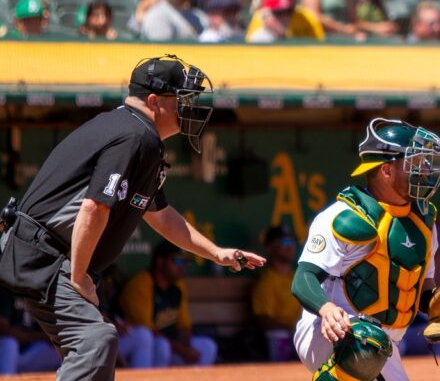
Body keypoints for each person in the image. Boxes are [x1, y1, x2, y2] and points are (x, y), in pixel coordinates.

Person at [0, 56, 265, 381]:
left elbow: (161, 216)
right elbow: (94, 207)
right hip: (44, 256)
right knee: (96, 341)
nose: (189, 107)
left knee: (94, 344)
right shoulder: (136, 136)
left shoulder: (135, 134)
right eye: (181, 98)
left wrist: (216, 252)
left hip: (41, 251)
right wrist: (80, 275)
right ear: (154, 101)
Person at [291, 118, 440, 380]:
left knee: (371, 348)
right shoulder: (345, 217)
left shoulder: (423, 222)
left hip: (380, 342)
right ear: (386, 170)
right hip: (330, 330)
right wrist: (326, 309)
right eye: (415, 163)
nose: (424, 170)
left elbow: (417, 288)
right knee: (365, 348)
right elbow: (302, 279)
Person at [118, 241, 219, 367]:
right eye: (178, 261)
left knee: (207, 347)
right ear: (160, 262)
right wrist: (183, 351)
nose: (182, 266)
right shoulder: (142, 284)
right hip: (143, 347)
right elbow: (150, 331)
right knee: (161, 345)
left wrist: (187, 348)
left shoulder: (178, 286)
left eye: (185, 262)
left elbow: (184, 326)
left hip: (172, 345)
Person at [252, 225, 301, 362]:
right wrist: (291, 330)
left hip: (302, 332)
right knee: (279, 335)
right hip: (283, 337)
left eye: (292, 242)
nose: (290, 247)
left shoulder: (297, 277)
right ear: (270, 248)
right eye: (284, 242)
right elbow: (263, 320)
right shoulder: (267, 281)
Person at [0, 288, 60, 374]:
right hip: (8, 357)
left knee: (61, 350)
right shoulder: (5, 289)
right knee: (8, 343)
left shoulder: (40, 291)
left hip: (31, 353)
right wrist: (36, 337)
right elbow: (3, 330)